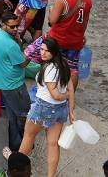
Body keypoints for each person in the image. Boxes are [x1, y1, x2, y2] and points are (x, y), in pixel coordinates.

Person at [19, 37, 75, 177]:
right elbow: (71, 88)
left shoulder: (49, 68)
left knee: (28, 137)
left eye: (47, 51)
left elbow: (56, 94)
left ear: (54, 52)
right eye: (42, 49)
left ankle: (16, 169)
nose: (43, 53)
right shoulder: (64, 65)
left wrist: (66, 96)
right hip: (60, 110)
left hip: (43, 108)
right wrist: (71, 110)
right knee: (53, 144)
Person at [0, 12, 31, 158]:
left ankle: (15, 145)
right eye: (12, 27)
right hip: (14, 85)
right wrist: (32, 53)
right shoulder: (9, 45)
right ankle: (25, 142)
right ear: (3, 24)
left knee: (13, 115)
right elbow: (22, 63)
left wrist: (18, 40)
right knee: (23, 113)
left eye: (17, 26)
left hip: (3, 82)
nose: (15, 29)